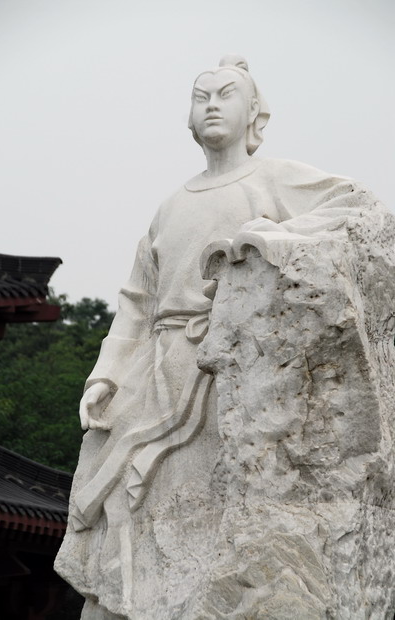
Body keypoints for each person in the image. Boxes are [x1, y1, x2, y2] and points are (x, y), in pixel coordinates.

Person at [55, 56, 369, 619]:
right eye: (202, 97)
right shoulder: (170, 206)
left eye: (226, 94)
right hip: (154, 370)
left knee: (216, 499)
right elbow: (136, 302)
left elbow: (358, 208)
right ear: (190, 117)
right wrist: (105, 375)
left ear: (255, 113)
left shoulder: (275, 178)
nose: (213, 106)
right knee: (125, 495)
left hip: (225, 371)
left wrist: (269, 238)